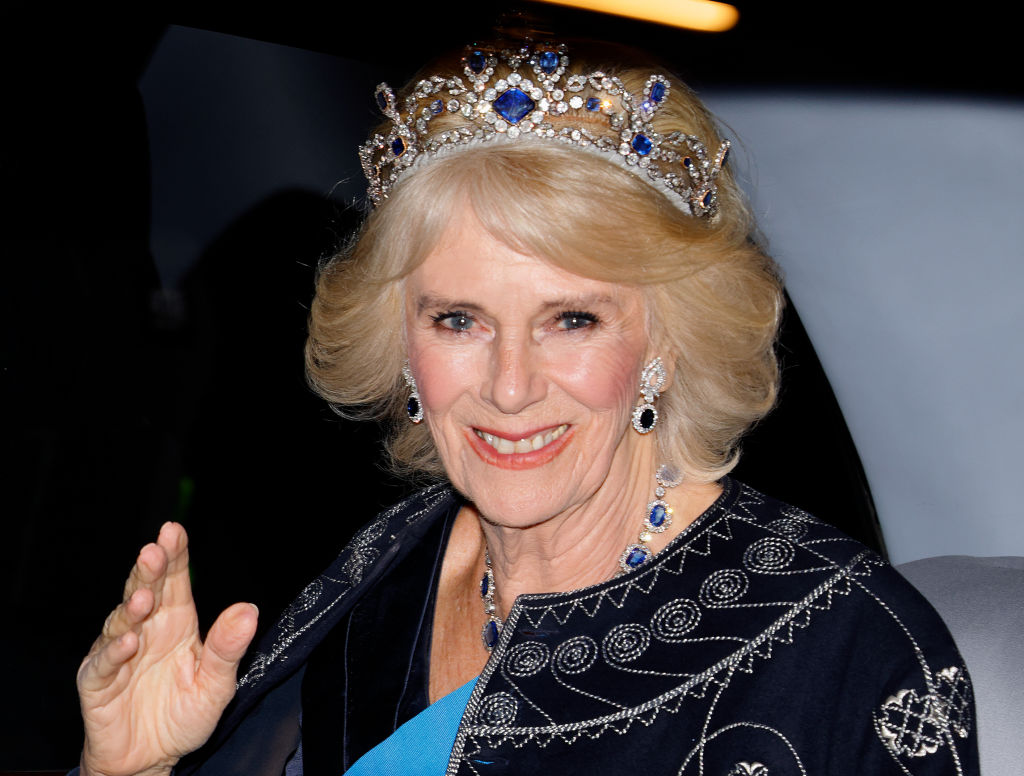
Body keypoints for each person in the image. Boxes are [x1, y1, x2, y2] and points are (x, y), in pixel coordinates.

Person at [76, 39, 979, 776]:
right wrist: (133, 772)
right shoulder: (380, 576)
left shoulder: (847, 647)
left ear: (666, 342)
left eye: (571, 319)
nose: (510, 387)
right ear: (403, 343)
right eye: (459, 319)